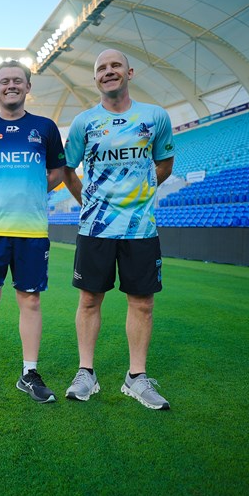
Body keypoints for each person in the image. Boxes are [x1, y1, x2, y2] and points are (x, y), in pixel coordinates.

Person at [61, 48, 175, 410]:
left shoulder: (154, 117)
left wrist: (139, 195)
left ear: (130, 72)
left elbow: (165, 163)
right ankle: (86, 373)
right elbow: (68, 169)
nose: (108, 71)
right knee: (89, 299)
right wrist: (90, 202)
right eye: (101, 68)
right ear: (95, 79)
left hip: (141, 228)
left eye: (115, 66)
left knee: (142, 303)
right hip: (96, 227)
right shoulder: (84, 123)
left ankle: (136, 377)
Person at [0, 60, 68, 403]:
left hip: (32, 230)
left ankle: (29, 373)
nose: (11, 85)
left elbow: (57, 172)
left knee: (31, 300)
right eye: (4, 81)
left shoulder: (45, 128)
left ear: (27, 87)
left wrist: (33, 190)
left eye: (18, 81)